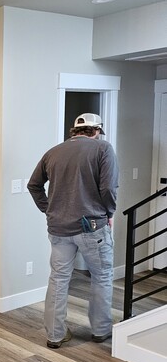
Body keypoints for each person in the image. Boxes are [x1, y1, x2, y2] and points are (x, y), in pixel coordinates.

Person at [28, 113, 119, 349]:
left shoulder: (53, 152)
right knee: (101, 276)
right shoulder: (103, 149)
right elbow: (108, 187)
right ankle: (100, 331)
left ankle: (55, 335)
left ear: (74, 131)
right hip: (93, 227)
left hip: (59, 227)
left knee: (58, 279)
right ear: (96, 130)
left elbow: (33, 185)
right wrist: (109, 213)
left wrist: (50, 209)